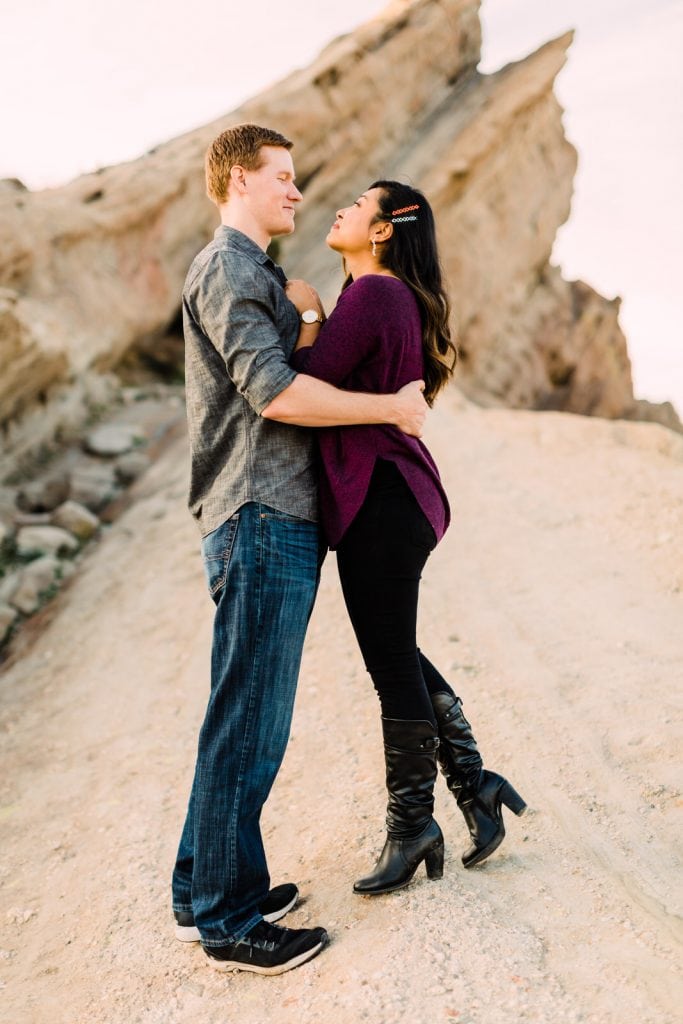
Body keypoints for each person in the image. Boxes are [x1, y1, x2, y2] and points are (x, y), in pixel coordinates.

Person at [171, 127, 429, 976]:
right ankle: (227, 920)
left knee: (240, 709)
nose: (296, 191)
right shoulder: (229, 269)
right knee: (251, 719)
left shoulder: (259, 275)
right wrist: (389, 410)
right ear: (239, 179)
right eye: (282, 177)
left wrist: (311, 309)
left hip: (274, 512)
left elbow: (303, 357)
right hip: (258, 511)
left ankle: (203, 883)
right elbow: (276, 393)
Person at [287, 180, 527, 896]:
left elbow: (299, 384)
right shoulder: (385, 297)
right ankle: (475, 787)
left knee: (389, 662)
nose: (339, 209)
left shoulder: (373, 294)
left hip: (383, 497)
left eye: (356, 205)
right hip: (393, 497)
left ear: (385, 228)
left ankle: (412, 826)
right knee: (397, 653)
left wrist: (305, 312)